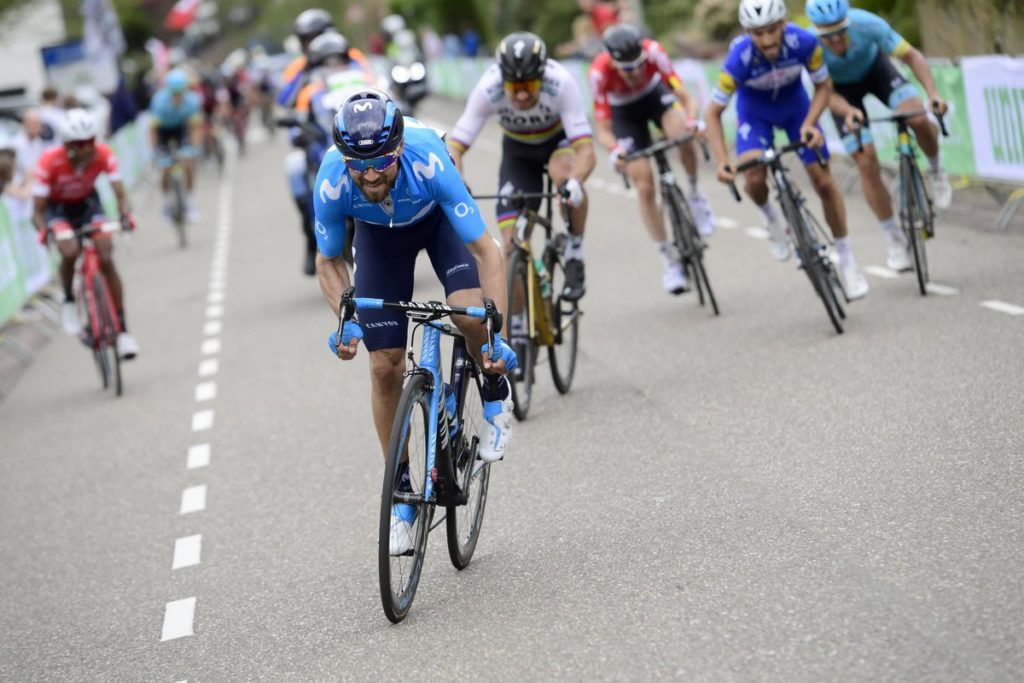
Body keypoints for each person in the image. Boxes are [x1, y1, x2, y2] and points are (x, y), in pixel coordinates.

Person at [314, 89, 517, 555]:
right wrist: (345, 321)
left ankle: (493, 393)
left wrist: (494, 333)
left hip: (437, 220)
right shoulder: (332, 180)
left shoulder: (430, 161)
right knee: (383, 365)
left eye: (380, 162)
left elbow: (487, 250)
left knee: (469, 316)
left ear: (399, 148)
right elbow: (329, 262)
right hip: (380, 239)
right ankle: (402, 497)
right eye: (357, 163)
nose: (368, 174)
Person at [705, 0, 869, 299]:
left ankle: (848, 261)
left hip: (796, 110)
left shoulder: (804, 43)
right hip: (755, 114)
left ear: (783, 25)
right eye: (758, 33)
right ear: (747, 33)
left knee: (823, 181)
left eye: (771, 31)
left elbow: (823, 88)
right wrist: (721, 160)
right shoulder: (737, 59)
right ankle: (771, 219)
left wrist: (810, 123)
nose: (766, 40)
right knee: (754, 177)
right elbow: (712, 113)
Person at [448, 32, 594, 308]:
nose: (523, 94)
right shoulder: (488, 88)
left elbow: (586, 151)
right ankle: (517, 331)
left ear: (542, 76)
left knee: (563, 175)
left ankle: (575, 251)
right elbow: (455, 145)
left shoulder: (560, 82)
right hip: (518, 151)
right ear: (502, 81)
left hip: (557, 143)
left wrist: (575, 183)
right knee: (511, 245)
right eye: (514, 88)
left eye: (529, 85)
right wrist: (458, 181)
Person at [806, 0, 952, 272]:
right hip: (840, 93)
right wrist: (848, 111)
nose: (836, 40)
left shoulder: (868, 24)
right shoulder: (809, 46)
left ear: (849, 22)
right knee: (866, 162)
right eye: (828, 36)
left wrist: (933, 95)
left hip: (877, 72)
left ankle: (936, 170)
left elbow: (912, 57)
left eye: (840, 31)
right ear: (817, 32)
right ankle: (894, 239)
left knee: (918, 118)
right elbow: (823, 92)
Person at [589, 23, 716, 295]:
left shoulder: (655, 53)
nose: (634, 73)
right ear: (612, 63)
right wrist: (615, 150)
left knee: (681, 132)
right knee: (644, 185)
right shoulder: (599, 72)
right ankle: (668, 258)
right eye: (627, 69)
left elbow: (685, 97)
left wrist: (693, 120)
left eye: (638, 65)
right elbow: (603, 130)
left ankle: (694, 192)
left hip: (654, 96)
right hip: (623, 112)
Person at [32, 109, 139, 358]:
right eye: (80, 144)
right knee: (69, 250)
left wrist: (125, 215)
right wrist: (43, 231)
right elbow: (37, 211)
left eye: (91, 141)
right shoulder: (49, 161)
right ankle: (69, 299)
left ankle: (122, 332)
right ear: (68, 145)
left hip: (88, 204)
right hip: (56, 209)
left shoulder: (103, 154)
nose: (87, 148)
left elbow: (120, 195)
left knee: (106, 254)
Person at [148, 69, 202, 223]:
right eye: (174, 93)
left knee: (189, 165)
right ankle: (166, 204)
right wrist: (154, 151)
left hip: (180, 129)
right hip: (163, 132)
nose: (178, 96)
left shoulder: (192, 100)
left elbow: (196, 127)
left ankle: (190, 203)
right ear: (169, 91)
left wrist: (195, 148)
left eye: (181, 92)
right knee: (165, 169)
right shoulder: (159, 101)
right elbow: (152, 130)